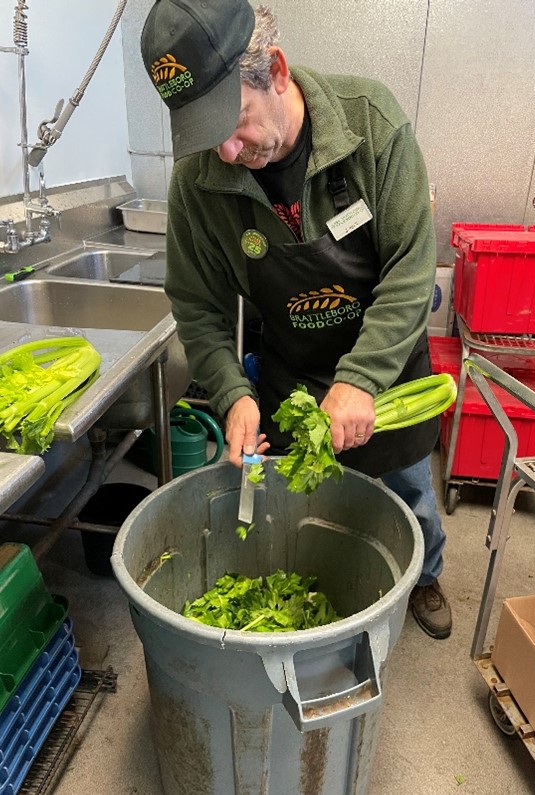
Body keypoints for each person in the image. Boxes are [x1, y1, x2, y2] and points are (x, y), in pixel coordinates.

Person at [141, 0, 452, 639]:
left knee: (410, 497)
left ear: (276, 72)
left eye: (235, 122)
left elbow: (412, 271)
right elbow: (197, 304)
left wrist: (362, 379)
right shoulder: (198, 182)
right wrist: (232, 394)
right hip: (292, 375)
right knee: (300, 515)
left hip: (385, 371)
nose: (226, 150)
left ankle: (423, 577)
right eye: (204, 134)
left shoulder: (372, 124)